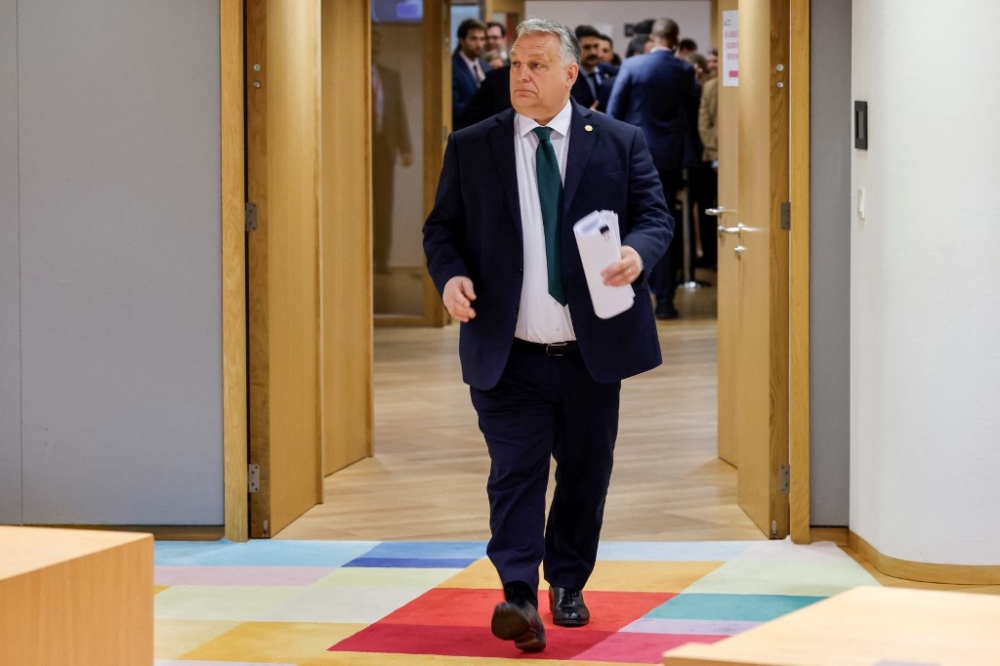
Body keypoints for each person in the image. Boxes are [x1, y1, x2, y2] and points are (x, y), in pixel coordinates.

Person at [423, 18, 672, 653]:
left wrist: (640, 255)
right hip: (508, 354)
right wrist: (450, 277)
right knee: (515, 473)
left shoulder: (617, 141)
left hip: (592, 354)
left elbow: (654, 216)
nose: (523, 76)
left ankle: (567, 581)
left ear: (569, 73)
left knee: (586, 474)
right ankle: (515, 595)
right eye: (516, 65)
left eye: (537, 65)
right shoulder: (473, 145)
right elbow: (441, 230)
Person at [607, 18, 700, 319]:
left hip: (633, 158)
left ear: (652, 39)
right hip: (670, 159)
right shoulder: (685, 70)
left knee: (631, 224)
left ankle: (630, 293)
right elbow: (692, 113)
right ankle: (667, 301)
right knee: (664, 223)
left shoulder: (633, 66)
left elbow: (613, 112)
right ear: (675, 40)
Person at [371, 29, 413, 274]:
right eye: (370, 40)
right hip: (356, 148)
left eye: (377, 40)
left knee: (384, 204)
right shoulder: (350, 73)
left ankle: (381, 259)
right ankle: (358, 253)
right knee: (358, 204)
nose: (374, 45)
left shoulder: (390, 77)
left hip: (384, 146)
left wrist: (405, 147)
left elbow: (399, 114)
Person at [571, 24, 617, 112]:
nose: (593, 52)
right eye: (587, 47)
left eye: (596, 46)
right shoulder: (569, 78)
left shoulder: (609, 70)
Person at [452, 18, 490, 121]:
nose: (479, 44)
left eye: (482, 39)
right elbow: (453, 106)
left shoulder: (486, 67)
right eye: (473, 39)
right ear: (462, 41)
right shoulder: (452, 68)